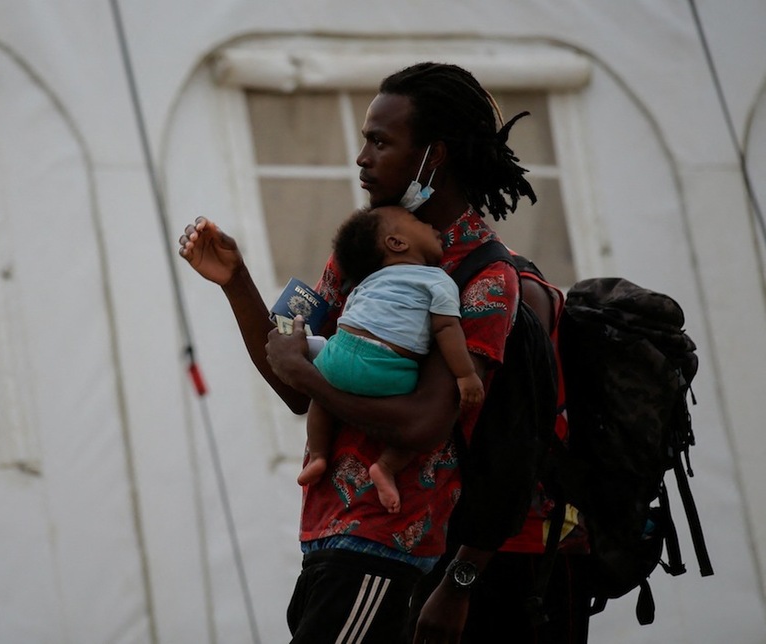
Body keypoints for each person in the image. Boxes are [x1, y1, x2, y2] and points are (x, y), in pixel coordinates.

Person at [179, 61, 536, 643]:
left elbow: (423, 423)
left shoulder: (484, 277)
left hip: (384, 547)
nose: (362, 157)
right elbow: (294, 382)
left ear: (433, 156)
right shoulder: (367, 245)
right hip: (327, 538)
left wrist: (311, 377)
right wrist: (237, 282)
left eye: (379, 141)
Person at [409, 261, 594, 643]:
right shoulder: (441, 280)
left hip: (525, 549)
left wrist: (459, 582)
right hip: (464, 542)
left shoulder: (512, 286)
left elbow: (514, 450)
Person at [299, 205, 484, 514]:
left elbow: (351, 317)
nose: (429, 225)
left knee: (322, 397)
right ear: (397, 243)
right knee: (417, 421)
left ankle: (318, 454)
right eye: (416, 222)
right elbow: (446, 327)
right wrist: (465, 375)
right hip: (388, 369)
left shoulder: (366, 282)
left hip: (340, 353)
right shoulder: (437, 281)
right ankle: (385, 467)